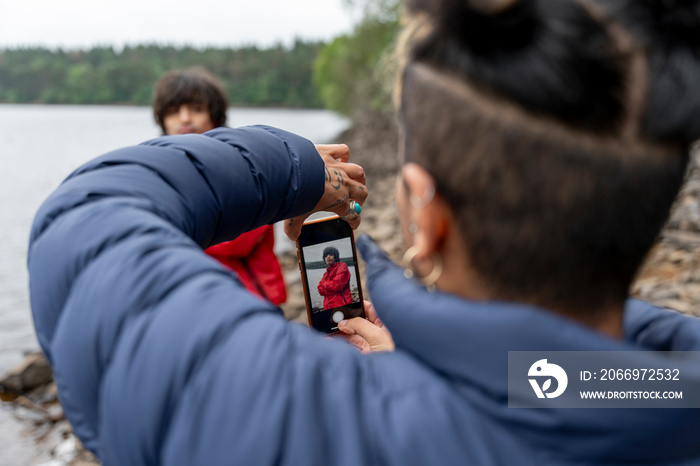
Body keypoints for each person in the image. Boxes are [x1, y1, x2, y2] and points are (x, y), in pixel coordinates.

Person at [27, 0, 700, 464]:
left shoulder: (314, 425)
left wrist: (293, 168)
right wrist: (440, 359)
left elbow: (88, 217)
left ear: (423, 215)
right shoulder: (658, 390)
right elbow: (554, 384)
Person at [152, 67, 287, 305]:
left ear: (215, 115)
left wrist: (172, 234)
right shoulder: (157, 171)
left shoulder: (243, 162)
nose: (184, 118)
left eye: (196, 109)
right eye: (174, 111)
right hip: (190, 303)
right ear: (162, 120)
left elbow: (238, 240)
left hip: (250, 300)